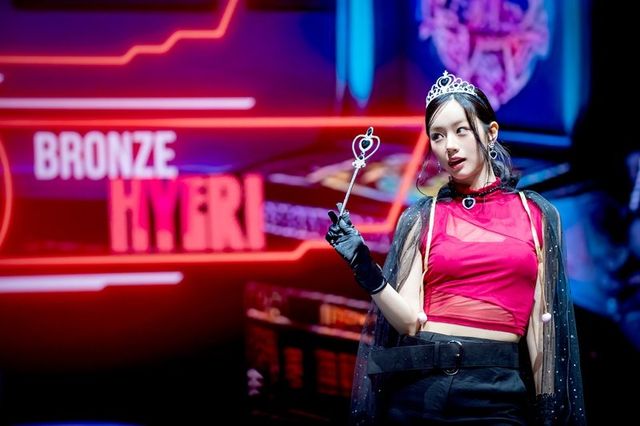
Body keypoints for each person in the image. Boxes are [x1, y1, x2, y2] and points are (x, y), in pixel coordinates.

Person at [325, 70, 586, 425]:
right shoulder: (424, 217)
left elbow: (543, 335)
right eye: (437, 135)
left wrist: (547, 411)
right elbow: (409, 321)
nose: (449, 145)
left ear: (491, 133)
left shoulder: (535, 214)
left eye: (461, 130)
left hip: (497, 394)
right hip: (420, 393)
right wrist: (363, 266)